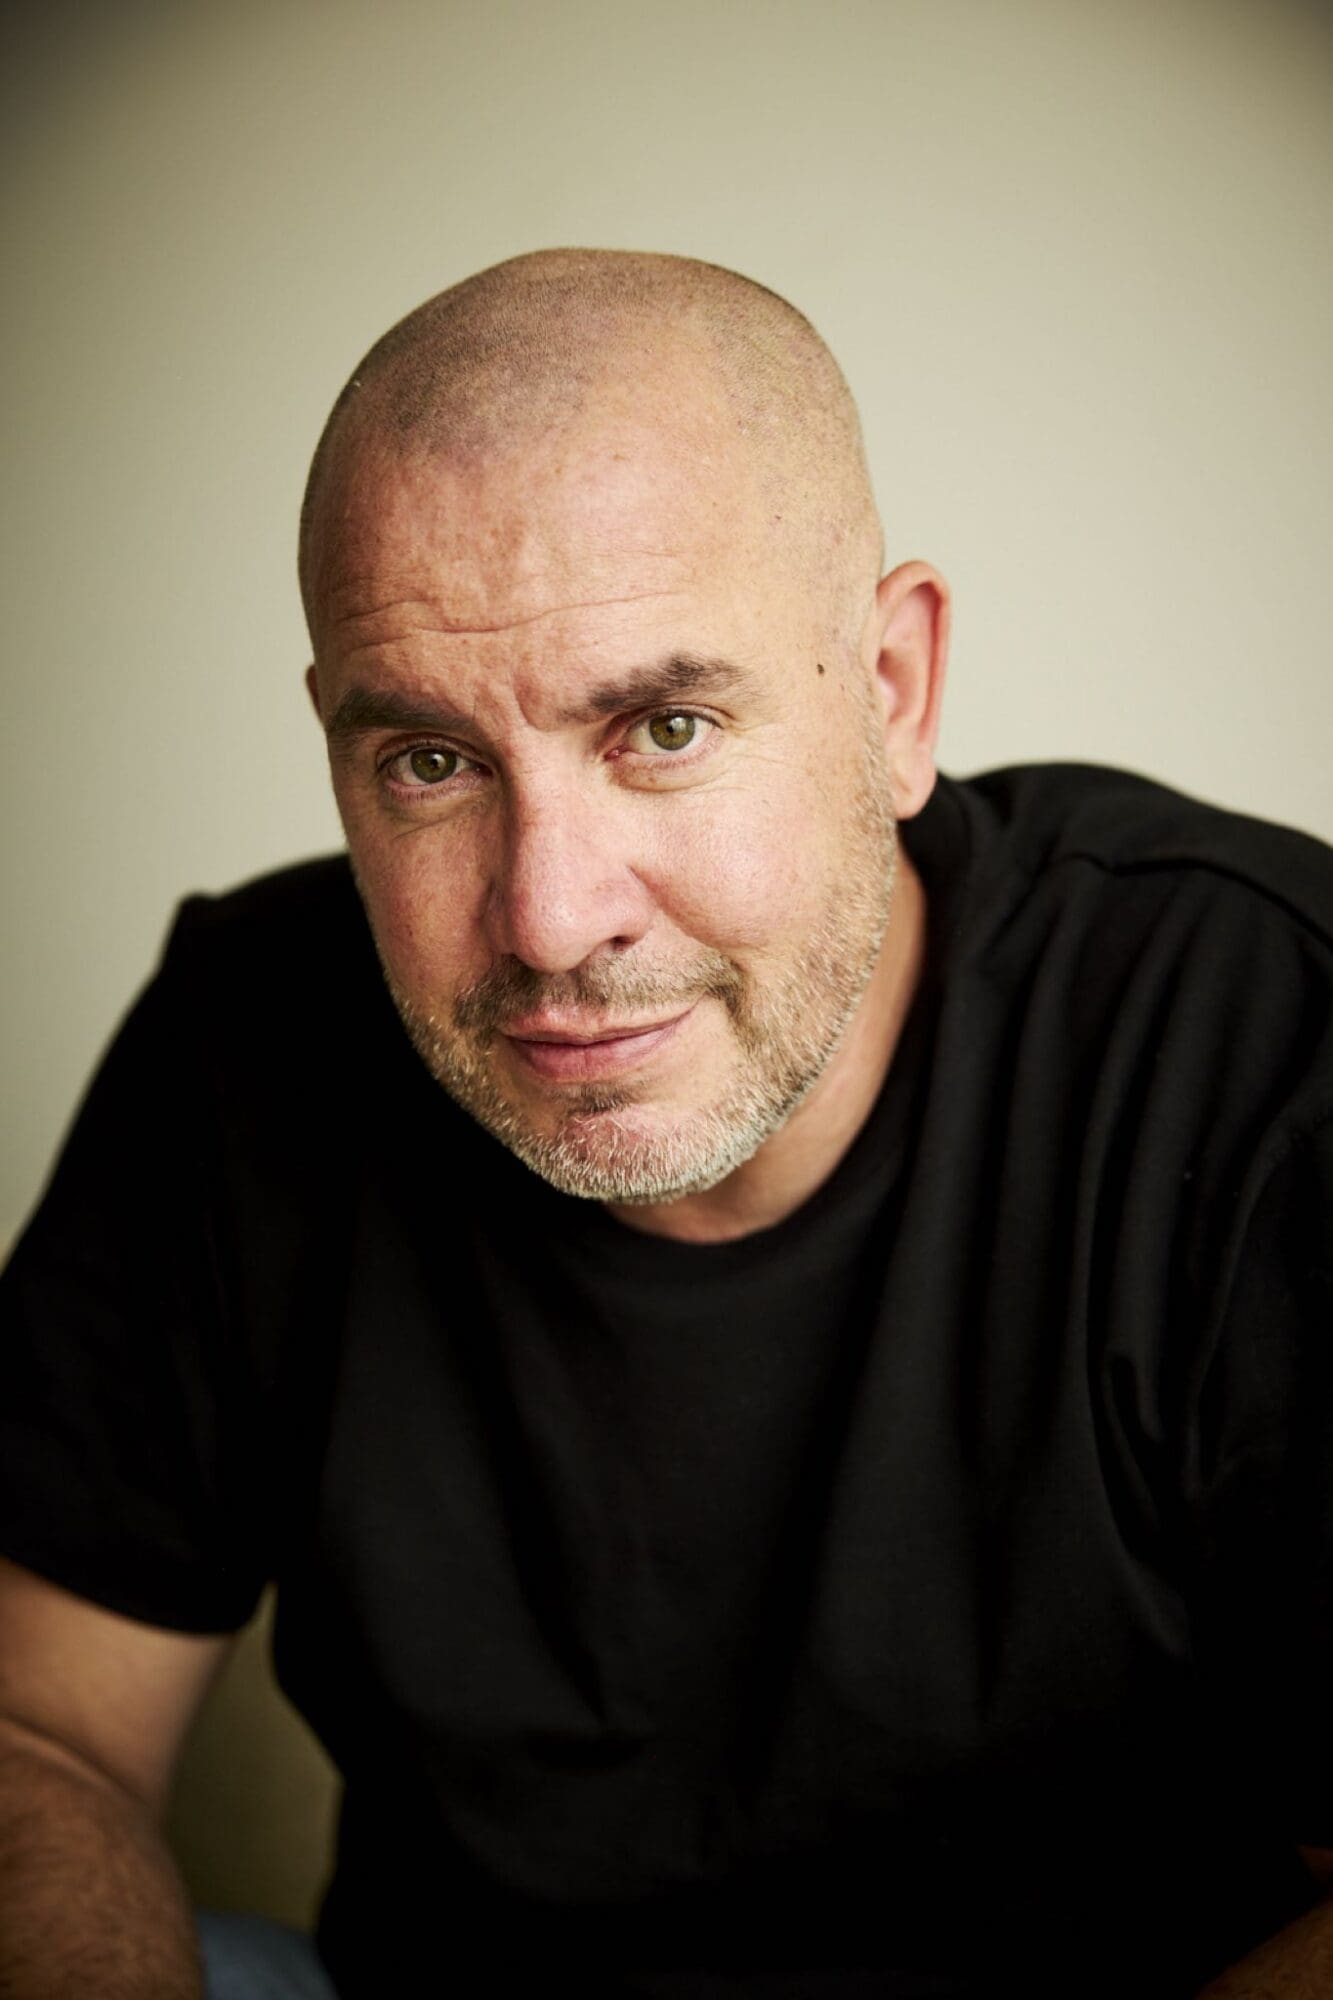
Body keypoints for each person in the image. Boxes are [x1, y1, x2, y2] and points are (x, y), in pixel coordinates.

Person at [0, 249, 1329, 2000]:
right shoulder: (246, 1040)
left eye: (665, 728)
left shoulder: (1258, 1039)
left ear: (891, 688)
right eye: (428, 764)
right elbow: (38, 1731)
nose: (549, 920)